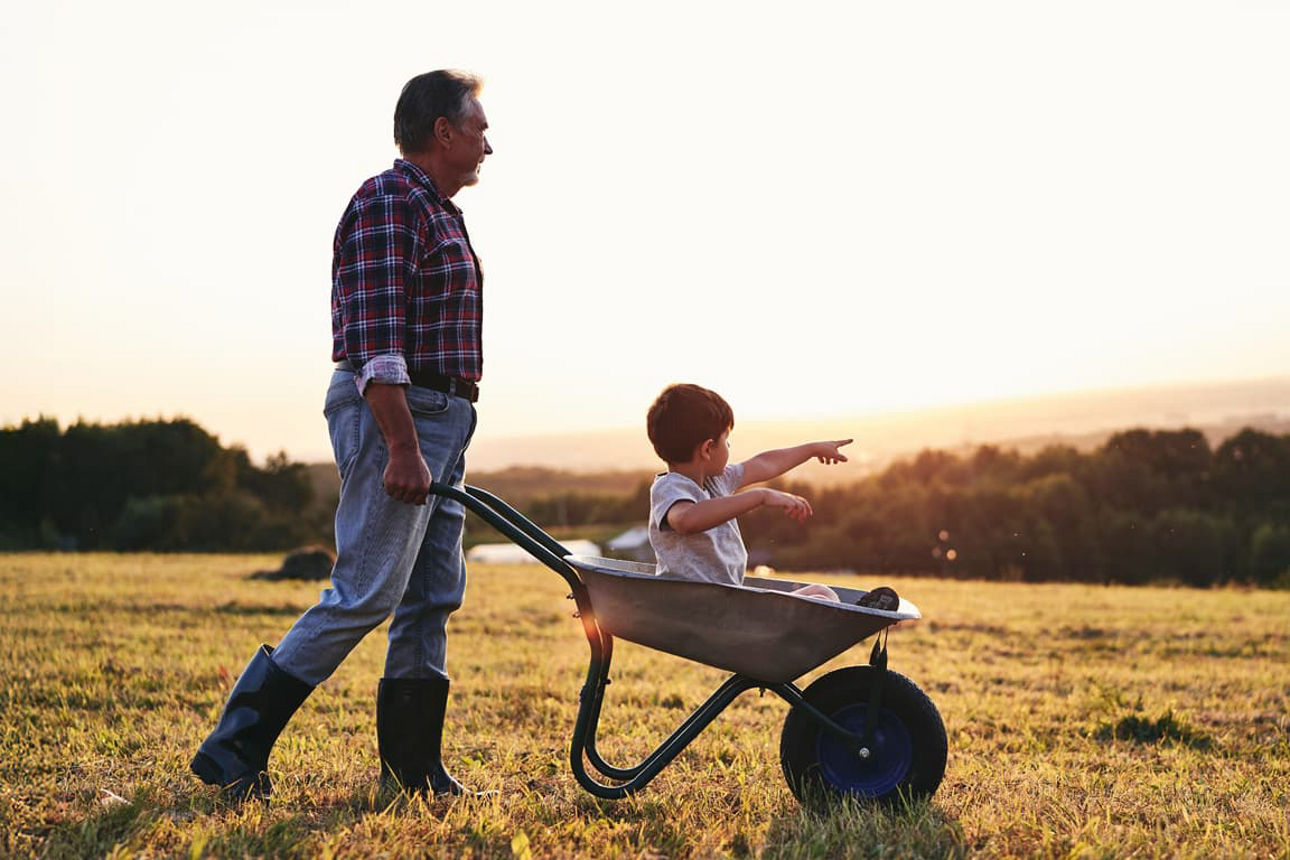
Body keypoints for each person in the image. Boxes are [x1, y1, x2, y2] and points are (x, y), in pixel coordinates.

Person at [191, 70, 493, 802]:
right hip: (403, 414)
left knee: (430, 594)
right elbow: (376, 342)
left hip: (441, 418)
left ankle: (413, 770)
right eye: (479, 126)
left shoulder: (439, 210)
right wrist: (402, 445)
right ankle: (234, 749)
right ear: (442, 131)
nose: (490, 141)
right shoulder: (390, 203)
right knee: (365, 591)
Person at [646, 383, 851, 599]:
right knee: (819, 601)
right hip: (696, 606)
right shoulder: (669, 488)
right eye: (726, 439)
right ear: (707, 449)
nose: (729, 446)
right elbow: (687, 519)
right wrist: (760, 496)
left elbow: (764, 464)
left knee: (822, 592)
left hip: (728, 599)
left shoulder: (717, 481)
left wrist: (811, 449)